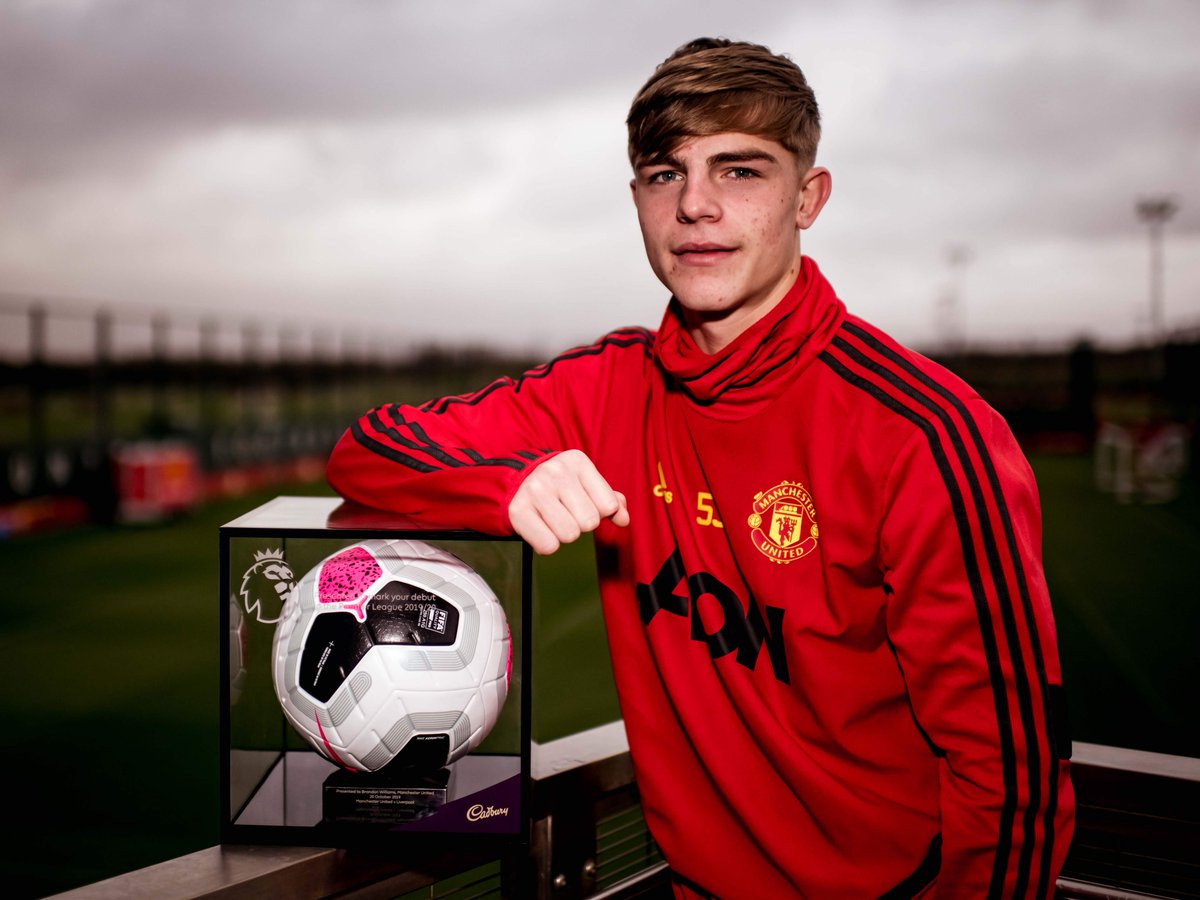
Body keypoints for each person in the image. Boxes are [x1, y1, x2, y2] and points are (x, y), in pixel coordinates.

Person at [327, 37, 1074, 899]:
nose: (696, 207)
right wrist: (509, 481)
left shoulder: (928, 435)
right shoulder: (604, 389)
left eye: (740, 171)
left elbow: (1010, 773)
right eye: (664, 175)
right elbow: (371, 447)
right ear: (638, 200)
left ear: (808, 197)